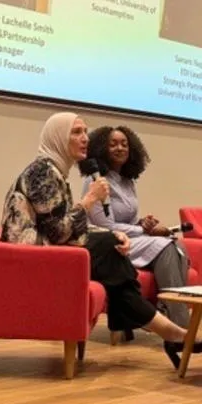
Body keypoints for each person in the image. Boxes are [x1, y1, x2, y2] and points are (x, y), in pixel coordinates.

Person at [1, 112, 202, 368]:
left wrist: (116, 233)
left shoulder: (55, 172)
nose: (84, 139)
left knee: (115, 247)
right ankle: (171, 332)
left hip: (51, 251)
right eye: (76, 132)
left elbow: (64, 228)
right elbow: (59, 232)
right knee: (112, 247)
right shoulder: (41, 172)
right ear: (57, 137)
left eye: (85, 132)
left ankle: (170, 332)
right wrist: (91, 201)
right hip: (31, 257)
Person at [82, 126, 190, 336]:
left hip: (131, 238)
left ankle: (164, 312)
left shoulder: (128, 181)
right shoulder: (96, 180)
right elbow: (106, 226)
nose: (119, 148)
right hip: (111, 245)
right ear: (101, 148)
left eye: (124, 144)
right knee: (167, 246)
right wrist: (143, 230)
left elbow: (129, 220)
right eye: (113, 144)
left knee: (178, 244)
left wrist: (143, 223)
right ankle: (181, 327)